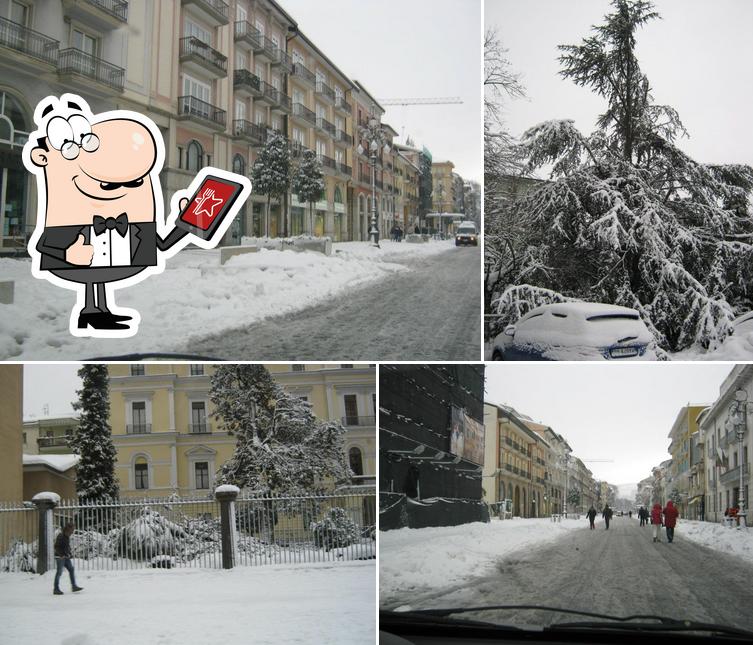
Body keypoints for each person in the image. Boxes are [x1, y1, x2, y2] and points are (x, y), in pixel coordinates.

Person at [54, 522, 83, 595]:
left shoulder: (67, 536)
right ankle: (56, 589)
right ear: (68, 529)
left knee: (71, 569)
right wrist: (61, 555)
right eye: (72, 529)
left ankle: (74, 586)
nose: (73, 531)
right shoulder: (61, 536)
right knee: (59, 573)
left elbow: (66, 547)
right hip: (60, 557)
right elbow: (56, 546)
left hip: (65, 557)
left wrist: (69, 553)